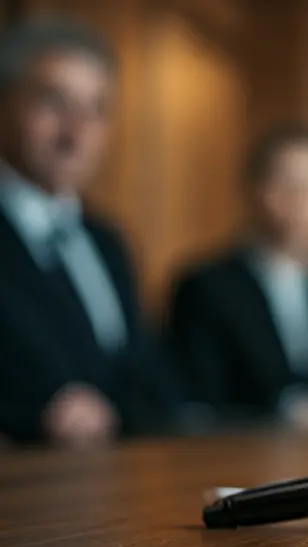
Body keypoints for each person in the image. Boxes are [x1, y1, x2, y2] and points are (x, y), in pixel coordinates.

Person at [0, 18, 184, 446]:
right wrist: (34, 413)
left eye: (96, 109)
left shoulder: (108, 241)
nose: (75, 132)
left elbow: (145, 374)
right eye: (53, 102)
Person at [166, 125, 308, 431]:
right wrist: (292, 413)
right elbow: (198, 400)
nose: (304, 200)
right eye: (289, 184)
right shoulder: (207, 287)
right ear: (254, 189)